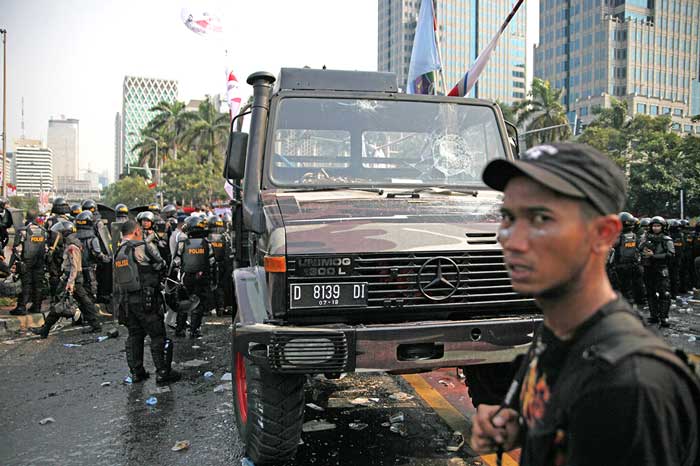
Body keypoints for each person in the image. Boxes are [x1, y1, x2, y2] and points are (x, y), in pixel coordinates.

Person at [470, 143, 699, 466]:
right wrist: (521, 427)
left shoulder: (630, 385)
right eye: (508, 217)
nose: (510, 239)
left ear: (604, 234)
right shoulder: (555, 329)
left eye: (540, 218)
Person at [113, 220, 179, 384]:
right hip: (147, 299)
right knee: (157, 335)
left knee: (135, 335)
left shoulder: (118, 251)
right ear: (136, 231)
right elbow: (160, 263)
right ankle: (163, 371)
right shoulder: (141, 246)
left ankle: (137, 372)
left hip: (127, 302)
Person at [30, 220, 102, 337]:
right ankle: (95, 325)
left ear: (65, 233)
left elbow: (75, 267)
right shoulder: (71, 245)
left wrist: (70, 283)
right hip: (73, 279)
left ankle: (45, 330)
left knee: (60, 304)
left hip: (71, 278)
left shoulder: (72, 247)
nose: (58, 236)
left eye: (60, 233)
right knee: (84, 303)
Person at [171, 215, 215, 338]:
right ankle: (194, 330)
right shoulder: (207, 244)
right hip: (202, 278)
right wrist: (213, 280)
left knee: (184, 304)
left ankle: (180, 329)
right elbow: (212, 263)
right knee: (199, 305)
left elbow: (176, 262)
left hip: (186, 278)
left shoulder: (182, 244)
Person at [9, 209, 48, 315]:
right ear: (36, 218)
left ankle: (21, 307)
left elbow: (17, 249)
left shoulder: (23, 231)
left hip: (26, 261)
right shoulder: (43, 231)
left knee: (25, 284)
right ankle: (37, 307)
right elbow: (46, 248)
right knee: (38, 285)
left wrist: (12, 264)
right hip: (39, 262)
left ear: (27, 217)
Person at [639, 216, 674, 327]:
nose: (655, 228)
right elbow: (639, 249)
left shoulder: (666, 239)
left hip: (661, 268)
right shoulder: (646, 237)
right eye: (654, 226)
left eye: (658, 226)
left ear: (663, 227)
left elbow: (671, 254)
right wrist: (644, 244)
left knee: (664, 294)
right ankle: (654, 316)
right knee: (650, 293)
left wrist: (654, 256)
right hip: (648, 268)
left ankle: (664, 317)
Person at [75, 211, 111, 300]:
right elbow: (97, 253)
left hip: (75, 269)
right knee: (91, 292)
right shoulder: (92, 238)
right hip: (89, 269)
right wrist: (107, 258)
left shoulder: (73, 237)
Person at [611, 212, 643, 306]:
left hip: (620, 265)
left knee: (622, 287)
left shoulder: (619, 237)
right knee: (631, 286)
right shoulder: (634, 235)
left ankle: (625, 305)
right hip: (633, 264)